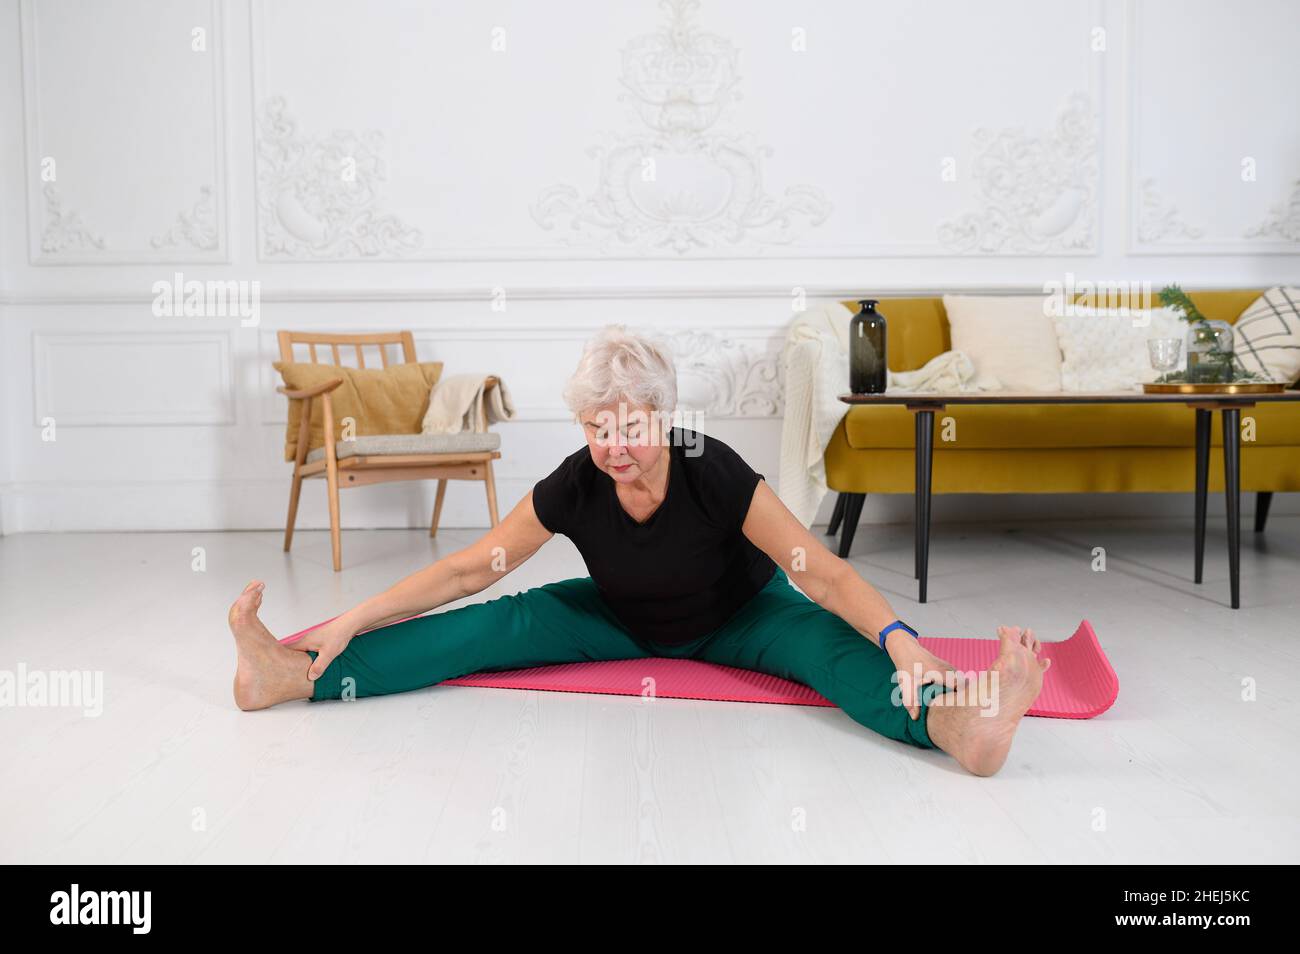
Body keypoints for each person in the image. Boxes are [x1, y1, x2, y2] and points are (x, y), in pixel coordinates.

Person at [229, 325, 1049, 776]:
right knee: (485, 627)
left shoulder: (711, 466)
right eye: (595, 427)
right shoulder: (576, 481)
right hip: (617, 619)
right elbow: (470, 566)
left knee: (838, 658)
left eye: (630, 424)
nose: (614, 445)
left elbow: (820, 570)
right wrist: (358, 616)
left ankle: (953, 726)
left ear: (663, 413)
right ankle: (292, 676)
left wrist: (902, 640)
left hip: (745, 618)